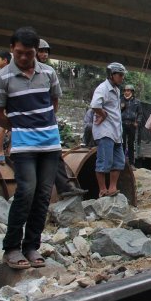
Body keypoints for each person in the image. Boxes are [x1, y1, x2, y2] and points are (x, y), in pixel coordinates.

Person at [0, 27, 62, 269]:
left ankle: (31, 246)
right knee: (26, 192)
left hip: (50, 144)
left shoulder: (49, 73)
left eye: (28, 54)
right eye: (19, 53)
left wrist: (43, 125)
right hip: (23, 146)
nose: (23, 58)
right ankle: (11, 247)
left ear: (36, 52)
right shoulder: (2, 77)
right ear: (12, 49)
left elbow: (54, 103)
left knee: (43, 195)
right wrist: (21, 126)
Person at [37, 39, 87, 199]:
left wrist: (49, 117)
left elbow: (55, 99)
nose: (44, 54)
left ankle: (64, 187)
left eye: (46, 51)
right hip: (27, 126)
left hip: (46, 122)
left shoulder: (48, 72)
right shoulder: (17, 73)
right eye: (41, 51)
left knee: (55, 153)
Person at [91, 62, 127, 198]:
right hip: (105, 131)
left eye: (123, 75)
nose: (122, 78)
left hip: (116, 131)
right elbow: (95, 105)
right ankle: (102, 189)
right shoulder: (103, 88)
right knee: (104, 161)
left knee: (119, 161)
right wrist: (103, 114)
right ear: (111, 75)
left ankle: (112, 187)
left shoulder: (116, 90)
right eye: (120, 75)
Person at [121, 85, 143, 168]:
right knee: (122, 143)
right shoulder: (120, 100)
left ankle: (131, 164)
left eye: (128, 90)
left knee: (131, 144)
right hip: (122, 124)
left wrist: (137, 122)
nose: (126, 92)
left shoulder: (136, 102)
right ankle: (121, 162)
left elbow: (140, 113)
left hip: (132, 125)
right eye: (125, 90)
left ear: (132, 92)